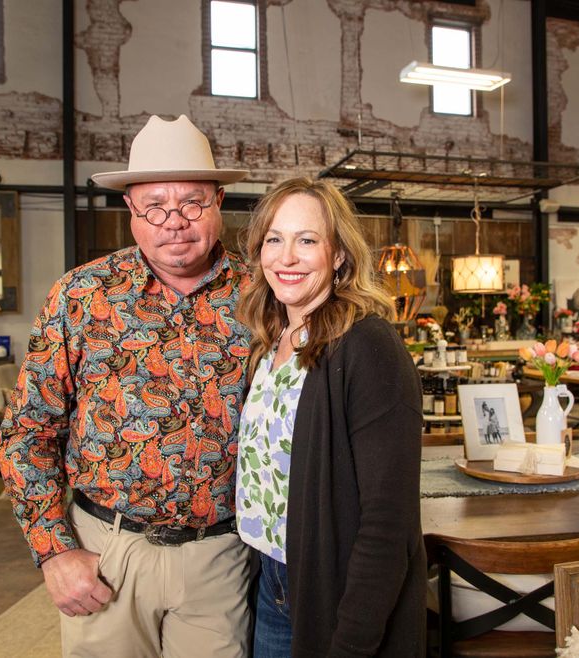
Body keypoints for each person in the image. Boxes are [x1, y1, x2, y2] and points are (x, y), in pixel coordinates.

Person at [0, 114, 253, 658]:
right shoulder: (81, 296)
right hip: (107, 550)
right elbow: (25, 433)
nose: (174, 221)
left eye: (191, 202)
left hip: (224, 555)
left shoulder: (263, 296)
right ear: (130, 211)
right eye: (154, 205)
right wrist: (55, 552)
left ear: (219, 200)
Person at [235, 177, 426, 657]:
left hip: (333, 591)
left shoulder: (368, 346)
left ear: (339, 254)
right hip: (272, 581)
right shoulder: (270, 343)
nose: (287, 258)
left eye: (307, 240)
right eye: (274, 240)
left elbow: (388, 520)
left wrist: (353, 641)